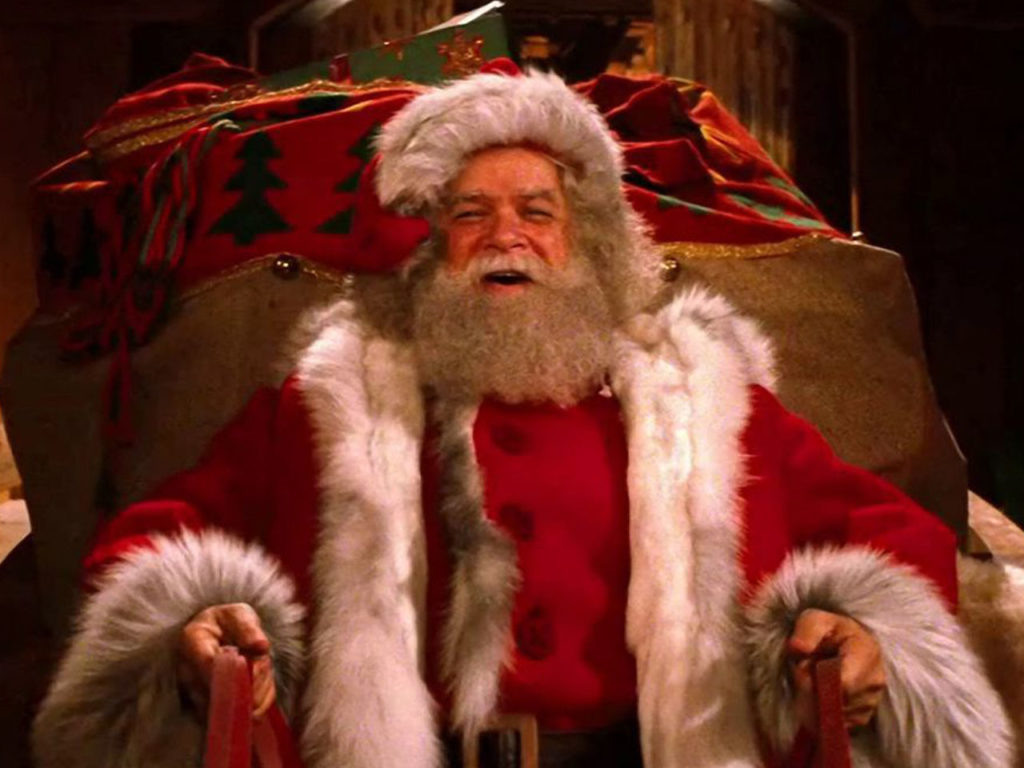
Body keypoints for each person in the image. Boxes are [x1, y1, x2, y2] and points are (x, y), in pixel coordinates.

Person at [33, 70, 1014, 768]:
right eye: (468, 214)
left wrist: (864, 630)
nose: (506, 236)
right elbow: (169, 530)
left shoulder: (703, 399)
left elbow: (884, 529)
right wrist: (192, 622)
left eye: (537, 212)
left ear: (590, 242)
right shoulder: (330, 401)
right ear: (427, 248)